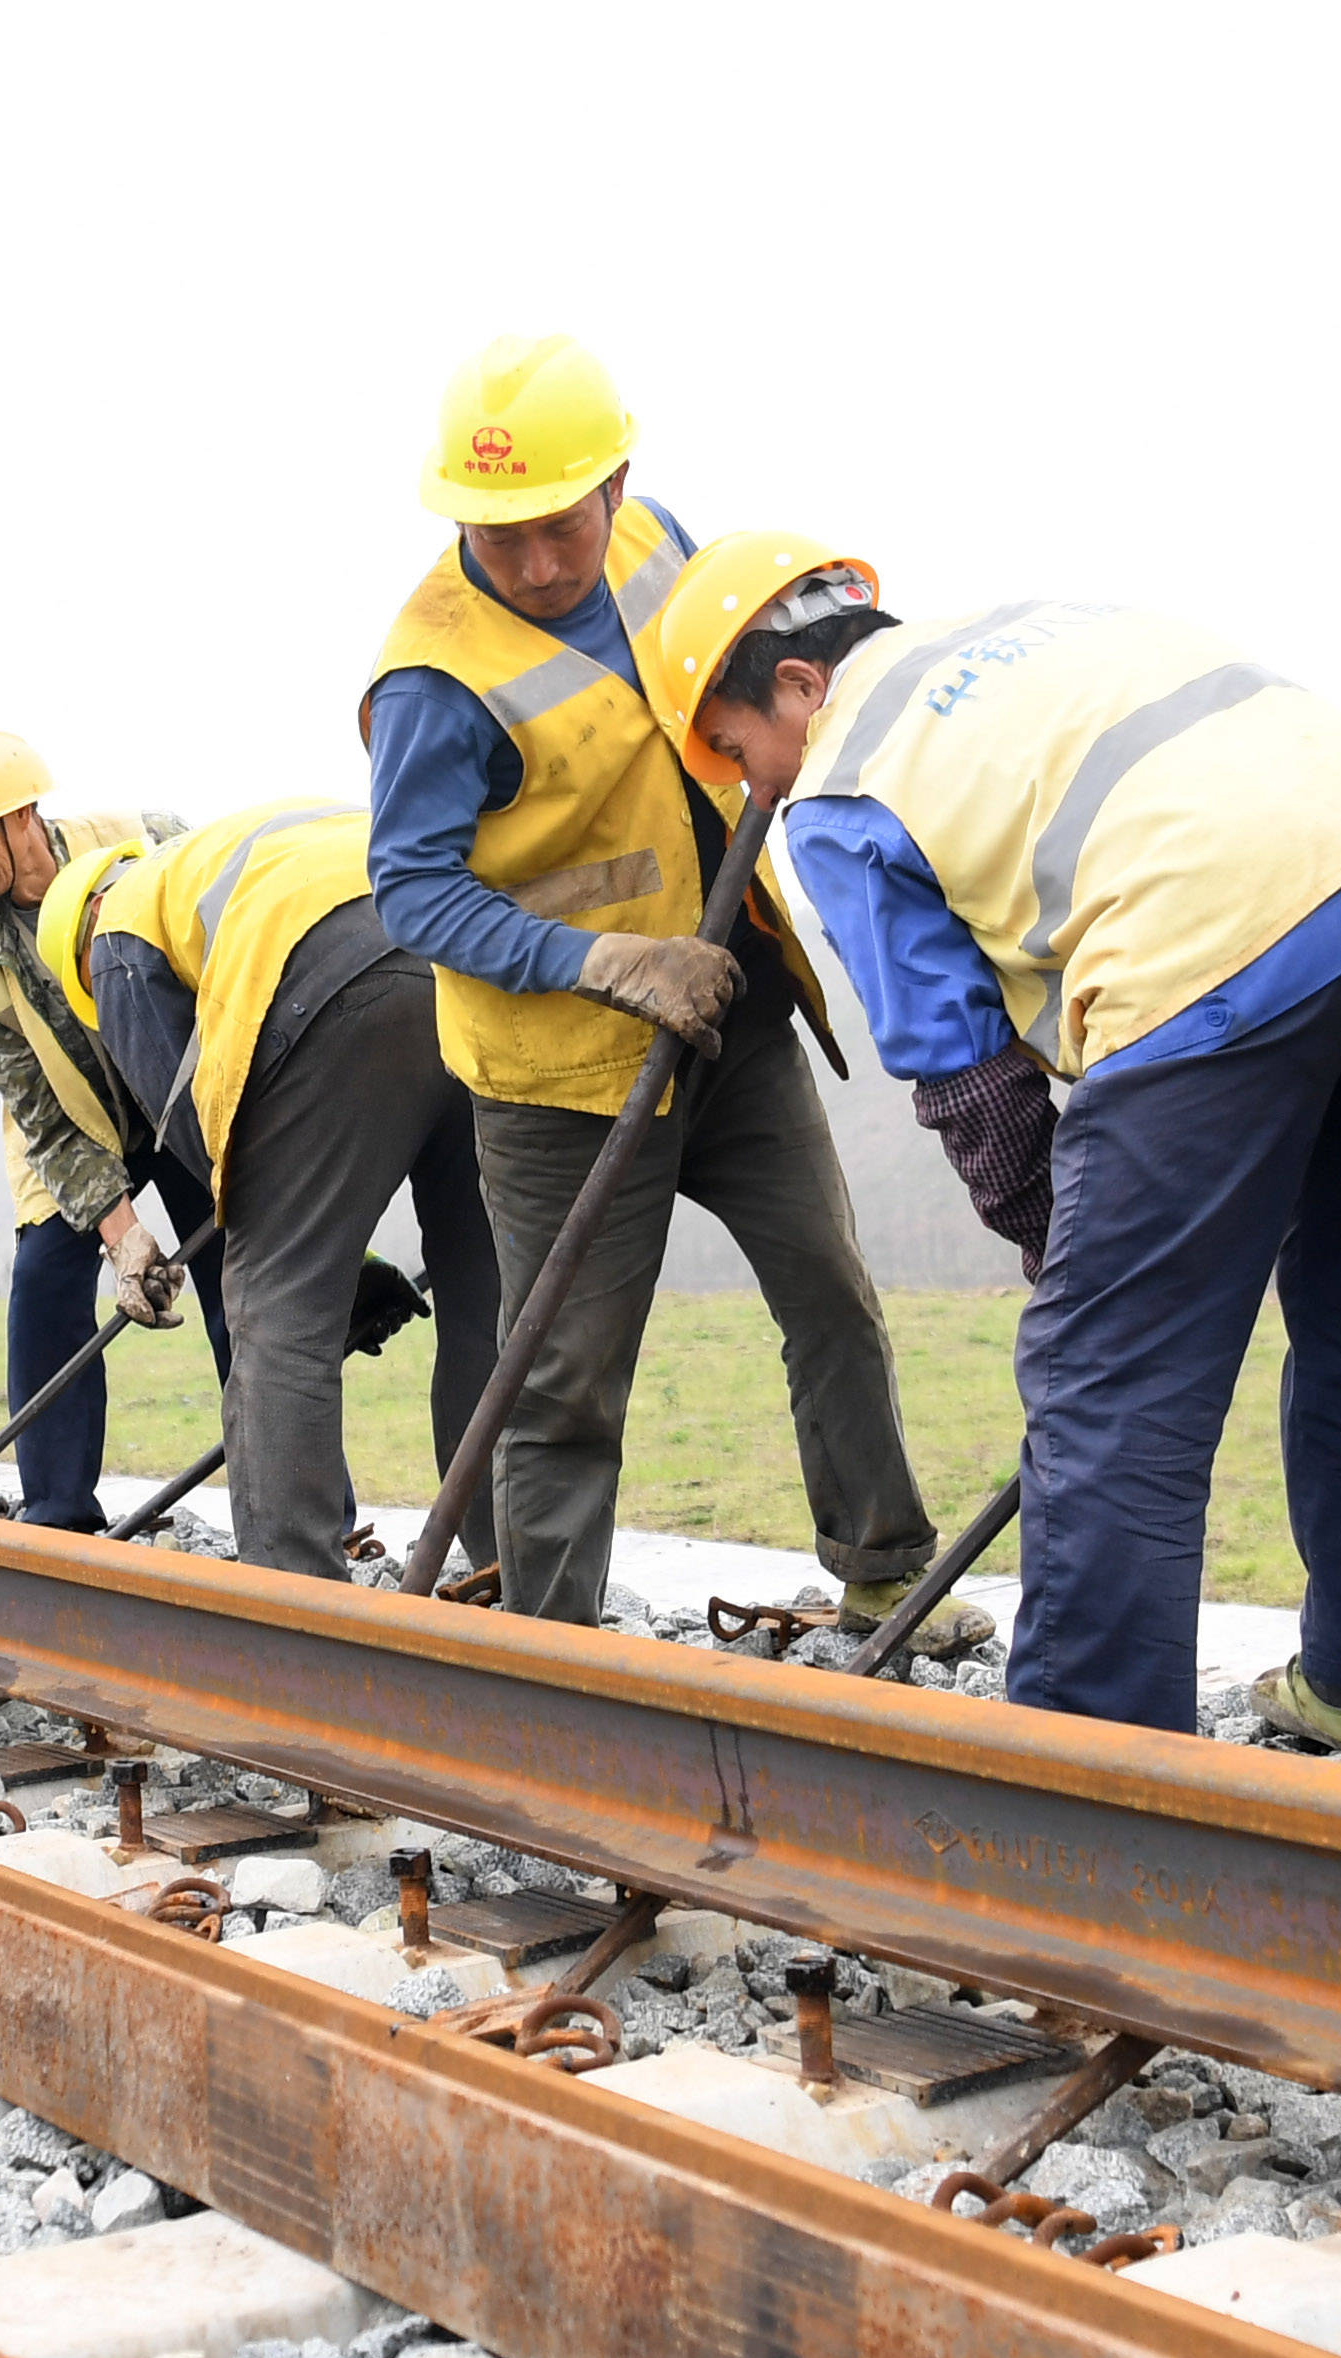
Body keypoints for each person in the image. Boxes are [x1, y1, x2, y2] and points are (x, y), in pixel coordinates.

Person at [660, 539, 1341, 1739]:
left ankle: (1083, 1777)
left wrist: (1062, 1244)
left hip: (1215, 937)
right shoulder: (1028, 628)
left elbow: (966, 1080)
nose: (760, 789)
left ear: (796, 684)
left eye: (742, 753)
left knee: (1107, 1384)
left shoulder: (844, 788)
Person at [363, 335, 952, 1639]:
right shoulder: (433, 680)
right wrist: (605, 960)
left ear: (618, 486)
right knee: (563, 1385)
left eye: (555, 526)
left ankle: (885, 1577)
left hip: (725, 1016)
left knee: (830, 1292)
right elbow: (411, 892)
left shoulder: (660, 547)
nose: (530, 561)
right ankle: (552, 1664)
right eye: (496, 532)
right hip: (556, 1078)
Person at [34, 802, 499, 1580]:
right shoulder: (238, 847)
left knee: (276, 1306)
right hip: (466, 954)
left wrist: (316, 1265)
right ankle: (508, 1561)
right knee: (483, 1295)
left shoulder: (110, 934)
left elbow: (207, 1135)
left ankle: (295, 1594)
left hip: (343, 973)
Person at [0, 733, 229, 1532]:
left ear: (21, 816)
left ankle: (295, 1507)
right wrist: (123, 1237)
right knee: (43, 1285)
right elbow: (42, 1118)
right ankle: (57, 1515)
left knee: (241, 1273)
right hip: (75, 1125)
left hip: (182, 1095)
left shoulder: (152, 844)